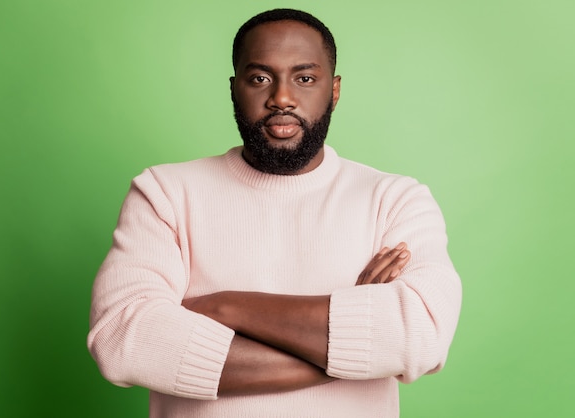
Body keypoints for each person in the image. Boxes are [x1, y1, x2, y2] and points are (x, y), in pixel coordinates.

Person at [87, 8, 462, 418]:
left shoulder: (394, 199)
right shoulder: (165, 193)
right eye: (260, 78)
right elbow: (124, 341)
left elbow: (421, 337)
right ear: (235, 88)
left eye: (304, 78)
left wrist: (225, 307)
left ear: (334, 90)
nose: (281, 98)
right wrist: (356, 341)